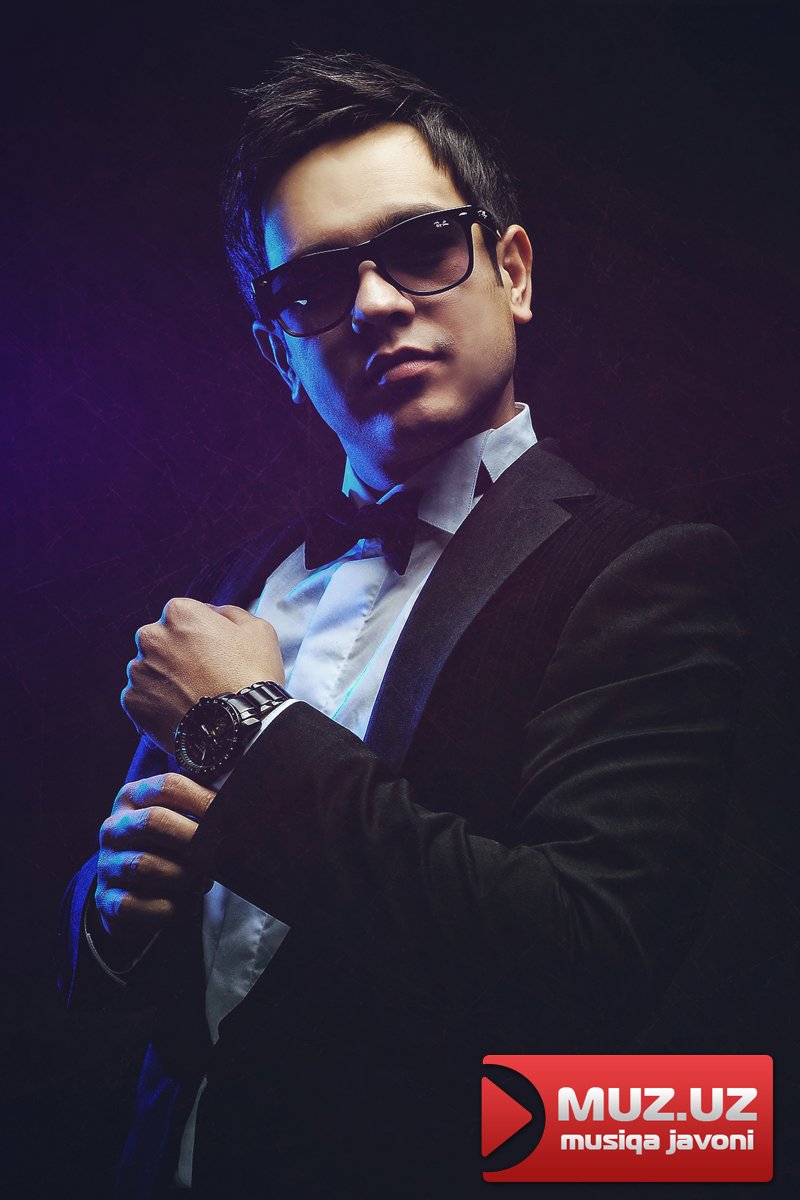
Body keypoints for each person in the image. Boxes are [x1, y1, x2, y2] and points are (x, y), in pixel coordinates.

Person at [58, 48, 750, 1199]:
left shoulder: (643, 573)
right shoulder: (234, 586)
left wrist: (246, 725)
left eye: (422, 246)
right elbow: (133, 951)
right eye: (314, 285)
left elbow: (585, 967)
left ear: (511, 271)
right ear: (279, 351)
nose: (375, 305)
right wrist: (114, 910)